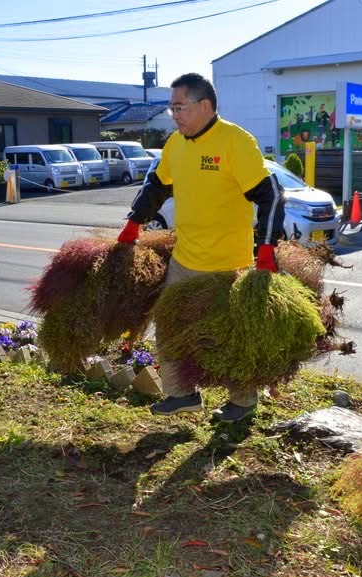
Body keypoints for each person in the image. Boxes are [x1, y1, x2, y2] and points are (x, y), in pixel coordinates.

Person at [117, 72, 284, 424]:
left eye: (180, 107)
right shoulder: (175, 145)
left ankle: (242, 401)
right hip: (185, 258)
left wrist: (266, 248)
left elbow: (269, 194)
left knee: (228, 337)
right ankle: (181, 395)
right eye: (171, 108)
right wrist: (135, 221)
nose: (174, 115)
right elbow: (156, 186)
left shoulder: (235, 142)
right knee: (169, 327)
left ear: (204, 105)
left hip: (229, 263)